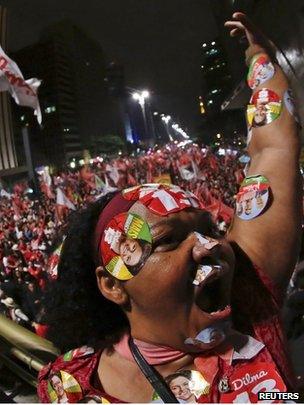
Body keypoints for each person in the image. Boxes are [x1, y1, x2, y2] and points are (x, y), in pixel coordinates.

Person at [38, 12, 302, 403]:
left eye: (210, 229)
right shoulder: (71, 387)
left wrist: (259, 56)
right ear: (112, 285)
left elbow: (274, 147)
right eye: (168, 241)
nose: (209, 246)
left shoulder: (249, 295)